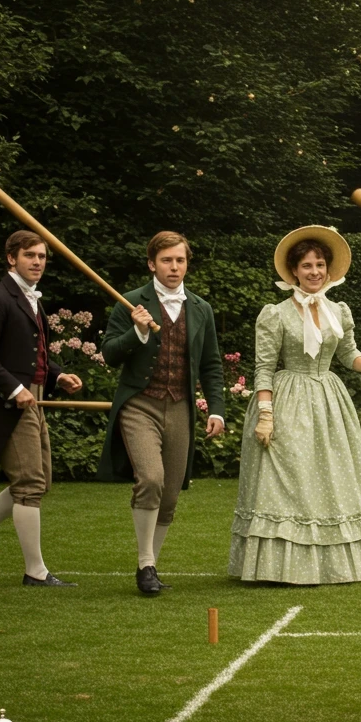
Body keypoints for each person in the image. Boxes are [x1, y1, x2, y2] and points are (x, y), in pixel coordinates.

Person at [229, 227, 361, 585]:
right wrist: (266, 415)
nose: (314, 271)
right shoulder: (276, 313)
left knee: (330, 479)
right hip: (289, 401)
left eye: (320, 264)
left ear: (329, 270)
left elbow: (348, 354)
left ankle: (333, 565)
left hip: (329, 401)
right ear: (294, 271)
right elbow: (265, 368)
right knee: (289, 481)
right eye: (306, 265)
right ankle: (279, 567)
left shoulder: (338, 311)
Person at [97, 231, 226, 596]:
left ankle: (151, 564)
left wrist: (216, 409)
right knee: (151, 478)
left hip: (181, 407)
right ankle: (145, 564)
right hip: (140, 403)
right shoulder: (131, 302)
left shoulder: (201, 309)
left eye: (180, 260)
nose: (174, 267)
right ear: (152, 263)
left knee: (169, 494)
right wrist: (136, 332)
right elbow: (109, 354)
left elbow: (212, 365)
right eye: (167, 260)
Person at [0, 231, 83, 585]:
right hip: (9, 403)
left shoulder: (30, 298)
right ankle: (36, 572)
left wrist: (58, 376)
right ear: (11, 258)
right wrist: (15, 388)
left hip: (32, 397)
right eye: (30, 255)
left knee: (38, 480)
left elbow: (31, 354)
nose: (37, 262)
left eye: (42, 257)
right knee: (30, 483)